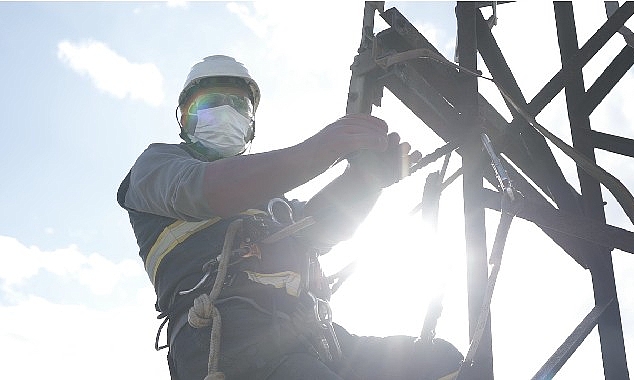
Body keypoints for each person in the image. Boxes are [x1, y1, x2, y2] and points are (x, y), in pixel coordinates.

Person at [118, 55, 462, 380]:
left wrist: (365, 182)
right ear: (185, 119)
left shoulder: (273, 202)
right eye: (208, 106)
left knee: (439, 363)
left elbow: (318, 229)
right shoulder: (157, 167)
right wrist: (322, 148)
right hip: (229, 339)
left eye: (238, 105)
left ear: (250, 124)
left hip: (311, 334)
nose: (224, 114)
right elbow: (209, 190)